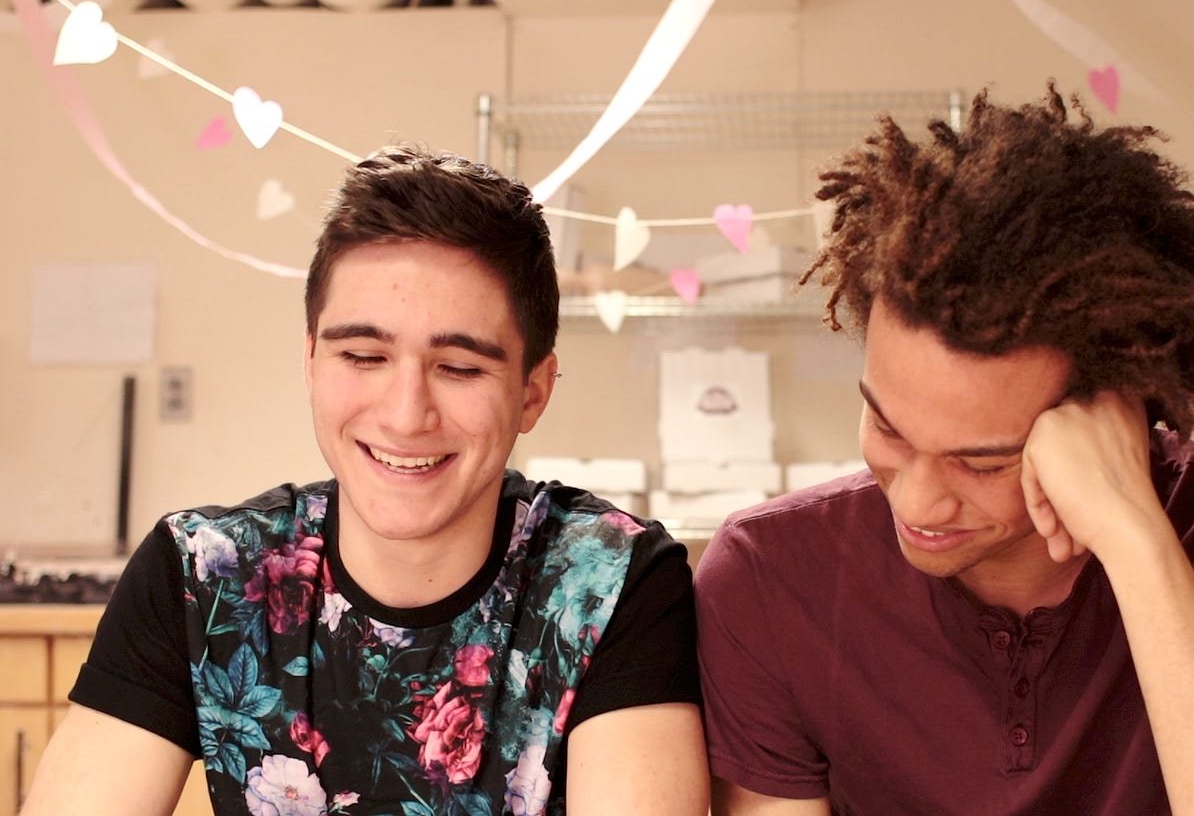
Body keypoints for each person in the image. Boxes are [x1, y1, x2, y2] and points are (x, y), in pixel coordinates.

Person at [694, 83, 1194, 815]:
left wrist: (1138, 545)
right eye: (887, 426)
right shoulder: (769, 578)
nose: (918, 500)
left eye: (982, 462)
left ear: (1110, 407)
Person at [24, 145, 709, 816]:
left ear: (533, 390)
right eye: (362, 355)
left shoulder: (614, 583)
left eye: (460, 367)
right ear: (313, 360)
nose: (406, 414)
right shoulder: (201, 574)